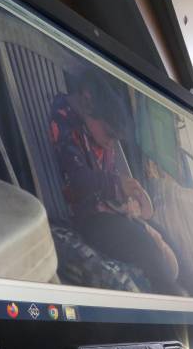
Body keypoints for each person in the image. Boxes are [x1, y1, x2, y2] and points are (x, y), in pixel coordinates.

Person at [49, 69, 181, 295]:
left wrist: (126, 200)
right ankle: (172, 300)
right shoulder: (63, 120)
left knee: (164, 235)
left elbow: (107, 178)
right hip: (88, 220)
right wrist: (116, 185)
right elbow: (77, 180)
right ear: (87, 100)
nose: (111, 145)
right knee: (145, 244)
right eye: (110, 135)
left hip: (109, 213)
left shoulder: (93, 126)